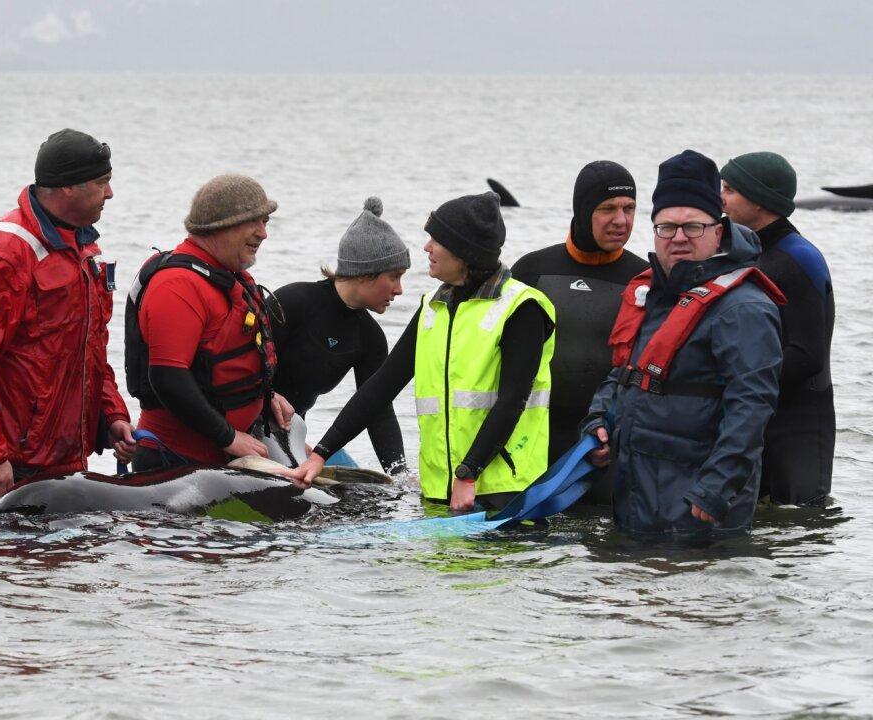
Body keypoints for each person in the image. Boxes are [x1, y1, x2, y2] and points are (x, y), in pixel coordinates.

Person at [288, 191, 556, 513]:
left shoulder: (522, 308)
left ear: (463, 251)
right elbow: (382, 385)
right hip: (441, 490)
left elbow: (513, 400)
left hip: (504, 491)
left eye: (436, 240)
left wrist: (468, 472)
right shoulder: (433, 306)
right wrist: (321, 453)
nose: (426, 248)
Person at [583, 150, 784, 538]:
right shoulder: (653, 295)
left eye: (692, 227)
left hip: (698, 506)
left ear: (718, 231)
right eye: (666, 227)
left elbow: (752, 405)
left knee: (696, 597)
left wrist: (714, 490)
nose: (677, 238)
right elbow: (624, 374)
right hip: (638, 494)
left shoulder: (743, 308)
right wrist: (596, 421)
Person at [0, 129, 133, 504]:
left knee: (72, 559)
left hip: (68, 458)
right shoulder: (3, 252)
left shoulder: (83, 245)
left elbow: (90, 350)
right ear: (67, 189)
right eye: (102, 182)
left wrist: (112, 415)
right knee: (18, 563)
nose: (110, 194)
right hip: (18, 464)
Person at [124, 174, 294, 472]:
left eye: (265, 222)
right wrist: (227, 436)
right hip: (174, 462)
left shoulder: (225, 275)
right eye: (253, 222)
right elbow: (167, 377)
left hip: (226, 457)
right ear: (220, 225)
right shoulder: (177, 285)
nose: (263, 233)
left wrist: (266, 397)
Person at [511, 161, 648, 503]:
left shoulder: (644, 279)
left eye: (630, 208)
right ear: (583, 210)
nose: (621, 220)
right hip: (533, 443)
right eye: (608, 209)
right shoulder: (533, 271)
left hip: (603, 445)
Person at [720, 152, 835, 506]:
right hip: (756, 413)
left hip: (798, 421)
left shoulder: (798, 258)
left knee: (796, 530)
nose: (719, 198)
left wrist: (737, 381)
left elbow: (808, 355)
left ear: (760, 199)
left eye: (730, 189)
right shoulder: (748, 255)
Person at [271, 196, 408, 474]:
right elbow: (237, 367)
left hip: (290, 434)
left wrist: (400, 474)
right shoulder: (293, 301)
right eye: (394, 277)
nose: (400, 289)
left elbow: (377, 409)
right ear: (365, 273)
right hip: (244, 426)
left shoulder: (370, 338)